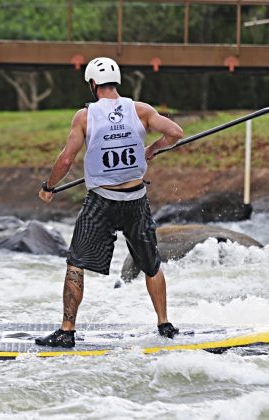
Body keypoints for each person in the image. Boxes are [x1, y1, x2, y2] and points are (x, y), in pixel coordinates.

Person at [35, 57, 184, 348]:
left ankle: (67, 331)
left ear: (93, 84)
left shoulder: (85, 116)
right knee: (151, 265)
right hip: (136, 200)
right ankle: (164, 324)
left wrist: (48, 187)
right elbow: (175, 133)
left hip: (101, 202)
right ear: (116, 82)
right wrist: (152, 149)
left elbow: (66, 159)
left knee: (76, 263)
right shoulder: (141, 110)